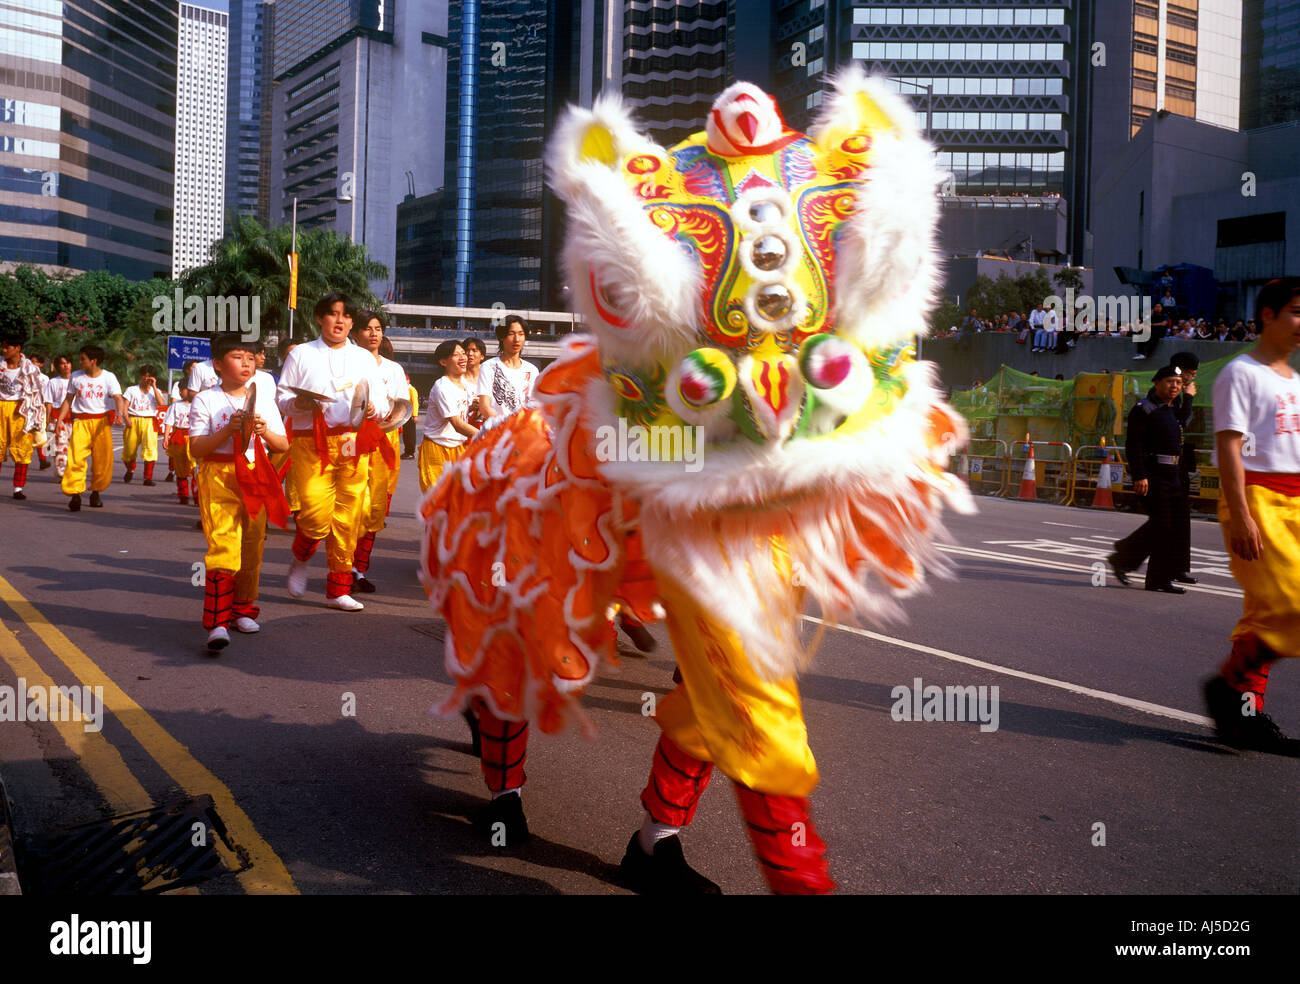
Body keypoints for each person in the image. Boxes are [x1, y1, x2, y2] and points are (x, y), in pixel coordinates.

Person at [1201, 278, 1300, 754]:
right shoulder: (1240, 373)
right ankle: (1227, 685)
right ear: (1268, 315)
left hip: (1296, 501)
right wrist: (1240, 515)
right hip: (1257, 498)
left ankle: (1244, 714)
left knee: (1265, 615)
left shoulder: (1295, 381)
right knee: (1291, 604)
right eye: (1297, 312)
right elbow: (1229, 448)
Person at [276, 293, 388, 611]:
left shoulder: (364, 358)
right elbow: (282, 396)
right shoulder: (301, 355)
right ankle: (300, 558)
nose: (339, 320)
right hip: (311, 442)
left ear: (352, 322)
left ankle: (339, 588)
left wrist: (374, 409)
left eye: (345, 315)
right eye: (333, 314)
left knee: (348, 517)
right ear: (319, 318)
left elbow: (378, 399)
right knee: (313, 514)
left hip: (353, 443)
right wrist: (297, 403)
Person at [189, 334, 290, 652]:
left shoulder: (264, 400)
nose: (246, 363)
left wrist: (264, 431)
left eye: (250, 357)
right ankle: (217, 622)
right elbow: (196, 448)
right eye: (237, 357)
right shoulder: (205, 399)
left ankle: (243, 610)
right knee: (223, 547)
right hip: (218, 477)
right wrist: (228, 430)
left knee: (251, 549)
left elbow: (283, 445)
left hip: (254, 475)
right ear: (217, 364)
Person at [1108, 365, 1187, 592]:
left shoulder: (1170, 409)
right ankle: (1152, 575)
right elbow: (1133, 445)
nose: (1175, 387)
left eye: (1178, 383)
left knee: (1166, 526)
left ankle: (1126, 557)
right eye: (1170, 381)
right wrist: (1140, 475)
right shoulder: (1144, 409)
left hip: (1173, 475)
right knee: (1164, 525)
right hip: (1153, 475)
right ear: (1157, 383)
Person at [348, 310, 407, 594]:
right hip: (353, 440)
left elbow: (401, 406)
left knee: (375, 509)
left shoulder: (393, 369)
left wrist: (385, 419)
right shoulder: (346, 362)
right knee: (351, 506)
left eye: (378, 328)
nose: (374, 333)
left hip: (384, 441)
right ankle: (343, 566)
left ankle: (359, 570)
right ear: (355, 333)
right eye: (368, 328)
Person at [57, 344, 126, 511]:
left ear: (93, 361)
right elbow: (68, 399)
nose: (80, 362)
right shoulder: (76, 377)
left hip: (101, 423)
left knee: (102, 461)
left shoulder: (108, 377)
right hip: (81, 422)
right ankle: (75, 495)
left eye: (83, 359)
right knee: (76, 458)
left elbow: (118, 397)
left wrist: (120, 413)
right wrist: (60, 419)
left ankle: (96, 492)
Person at [418, 340, 477, 493]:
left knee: (458, 500)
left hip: (459, 448)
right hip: (437, 448)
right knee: (437, 499)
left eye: (463, 353)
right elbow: (457, 423)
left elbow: (458, 411)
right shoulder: (442, 386)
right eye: (456, 355)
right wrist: (487, 435)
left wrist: (471, 407)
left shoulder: (465, 385)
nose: (463, 358)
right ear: (443, 362)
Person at [1167, 351, 1201, 584]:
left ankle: (1178, 568)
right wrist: (1188, 398)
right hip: (1165, 465)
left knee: (1181, 518)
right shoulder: (1167, 392)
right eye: (1189, 373)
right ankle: (1127, 556)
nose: (1190, 379)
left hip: (1179, 463)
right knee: (1167, 520)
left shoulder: (1179, 391)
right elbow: (1178, 421)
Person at [0, 333, 47, 500]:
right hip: (0, 407)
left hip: (20, 411)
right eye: (3, 346)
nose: (4, 350)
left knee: (22, 449)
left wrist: (30, 409)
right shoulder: (0, 364)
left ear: (18, 348)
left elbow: (36, 393)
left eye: (8, 347)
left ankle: (18, 488)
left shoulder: (30, 368)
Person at [475, 316, 538, 421]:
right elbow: (484, 407)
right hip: (497, 431)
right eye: (511, 334)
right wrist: (504, 427)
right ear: (501, 337)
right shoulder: (489, 367)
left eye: (521, 334)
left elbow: (534, 405)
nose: (516, 339)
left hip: (522, 430)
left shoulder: (532, 370)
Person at [121, 364, 167, 486]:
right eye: (145, 376)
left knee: (150, 450)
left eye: (150, 377)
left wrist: (154, 386)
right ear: (141, 376)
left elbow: (162, 403)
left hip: (149, 421)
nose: (147, 379)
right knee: (129, 451)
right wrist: (126, 419)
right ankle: (130, 469)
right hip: (133, 420)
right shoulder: (131, 390)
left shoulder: (154, 391)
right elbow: (124, 407)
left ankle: (147, 478)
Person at [45, 354, 73, 478]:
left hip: (75, 418)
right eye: (62, 363)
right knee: (58, 448)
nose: (66, 365)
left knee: (74, 448)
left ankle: (71, 471)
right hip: (57, 419)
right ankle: (62, 474)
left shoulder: (78, 380)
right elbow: (49, 403)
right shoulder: (53, 382)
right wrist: (47, 421)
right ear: (58, 366)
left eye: (68, 362)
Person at [462, 337, 488, 427]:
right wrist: (471, 408)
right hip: (463, 430)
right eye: (467, 350)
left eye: (474, 350)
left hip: (487, 428)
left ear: (482, 356)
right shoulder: (456, 378)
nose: (470, 354)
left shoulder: (490, 376)